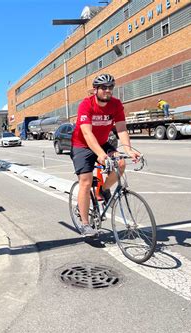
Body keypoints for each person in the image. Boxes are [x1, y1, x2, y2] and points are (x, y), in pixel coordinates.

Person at [71, 74, 140, 238]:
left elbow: (122, 129)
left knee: (121, 163)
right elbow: (87, 133)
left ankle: (102, 190)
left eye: (110, 87)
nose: (108, 90)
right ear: (95, 90)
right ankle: (85, 224)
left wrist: (129, 150)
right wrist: (101, 155)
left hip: (102, 142)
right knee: (86, 182)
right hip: (82, 145)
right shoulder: (86, 105)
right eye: (104, 87)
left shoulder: (116, 104)